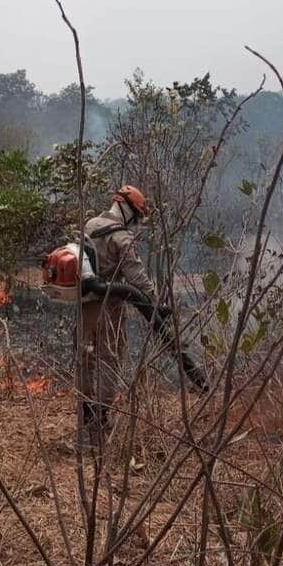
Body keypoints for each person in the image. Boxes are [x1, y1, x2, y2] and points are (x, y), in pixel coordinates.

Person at [77, 185, 158, 434]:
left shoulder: (89, 225)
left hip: (83, 306)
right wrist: (157, 303)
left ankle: (85, 415)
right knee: (109, 360)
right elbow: (137, 278)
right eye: (137, 217)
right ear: (128, 210)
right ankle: (101, 419)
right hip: (108, 309)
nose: (136, 222)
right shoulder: (121, 237)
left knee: (85, 358)